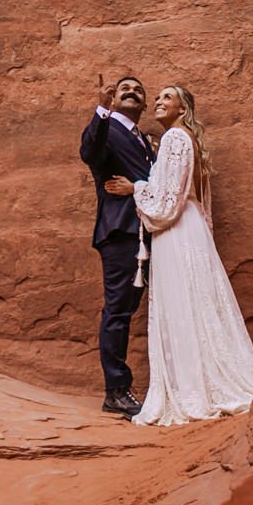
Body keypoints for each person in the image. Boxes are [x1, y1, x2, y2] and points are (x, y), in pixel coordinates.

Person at [107, 83, 253, 425]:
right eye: (159, 98)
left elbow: (167, 201)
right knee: (196, 301)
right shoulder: (184, 139)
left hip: (176, 229)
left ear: (183, 108)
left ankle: (194, 389)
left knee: (183, 303)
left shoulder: (174, 139)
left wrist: (133, 187)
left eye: (168, 97)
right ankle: (201, 381)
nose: (159, 102)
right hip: (189, 225)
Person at [78, 75, 153, 415]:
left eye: (138, 90)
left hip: (148, 232)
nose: (131, 92)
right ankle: (116, 390)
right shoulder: (106, 128)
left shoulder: (145, 141)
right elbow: (89, 152)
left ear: (145, 104)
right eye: (125, 88)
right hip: (120, 233)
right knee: (118, 311)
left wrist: (138, 185)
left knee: (130, 309)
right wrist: (101, 111)